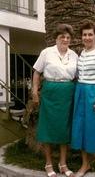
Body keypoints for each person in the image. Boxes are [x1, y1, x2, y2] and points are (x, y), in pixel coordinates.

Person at [32, 24, 78, 177]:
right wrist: (35, 93)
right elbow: (37, 73)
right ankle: (48, 163)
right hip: (50, 93)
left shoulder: (74, 55)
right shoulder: (46, 52)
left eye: (67, 37)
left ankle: (63, 164)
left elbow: (80, 75)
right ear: (56, 38)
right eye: (62, 37)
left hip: (67, 94)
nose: (65, 39)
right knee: (48, 128)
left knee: (64, 129)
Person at [71, 20, 95, 177]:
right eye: (84, 34)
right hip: (80, 92)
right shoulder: (82, 53)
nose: (87, 37)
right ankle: (85, 164)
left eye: (90, 34)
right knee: (81, 128)